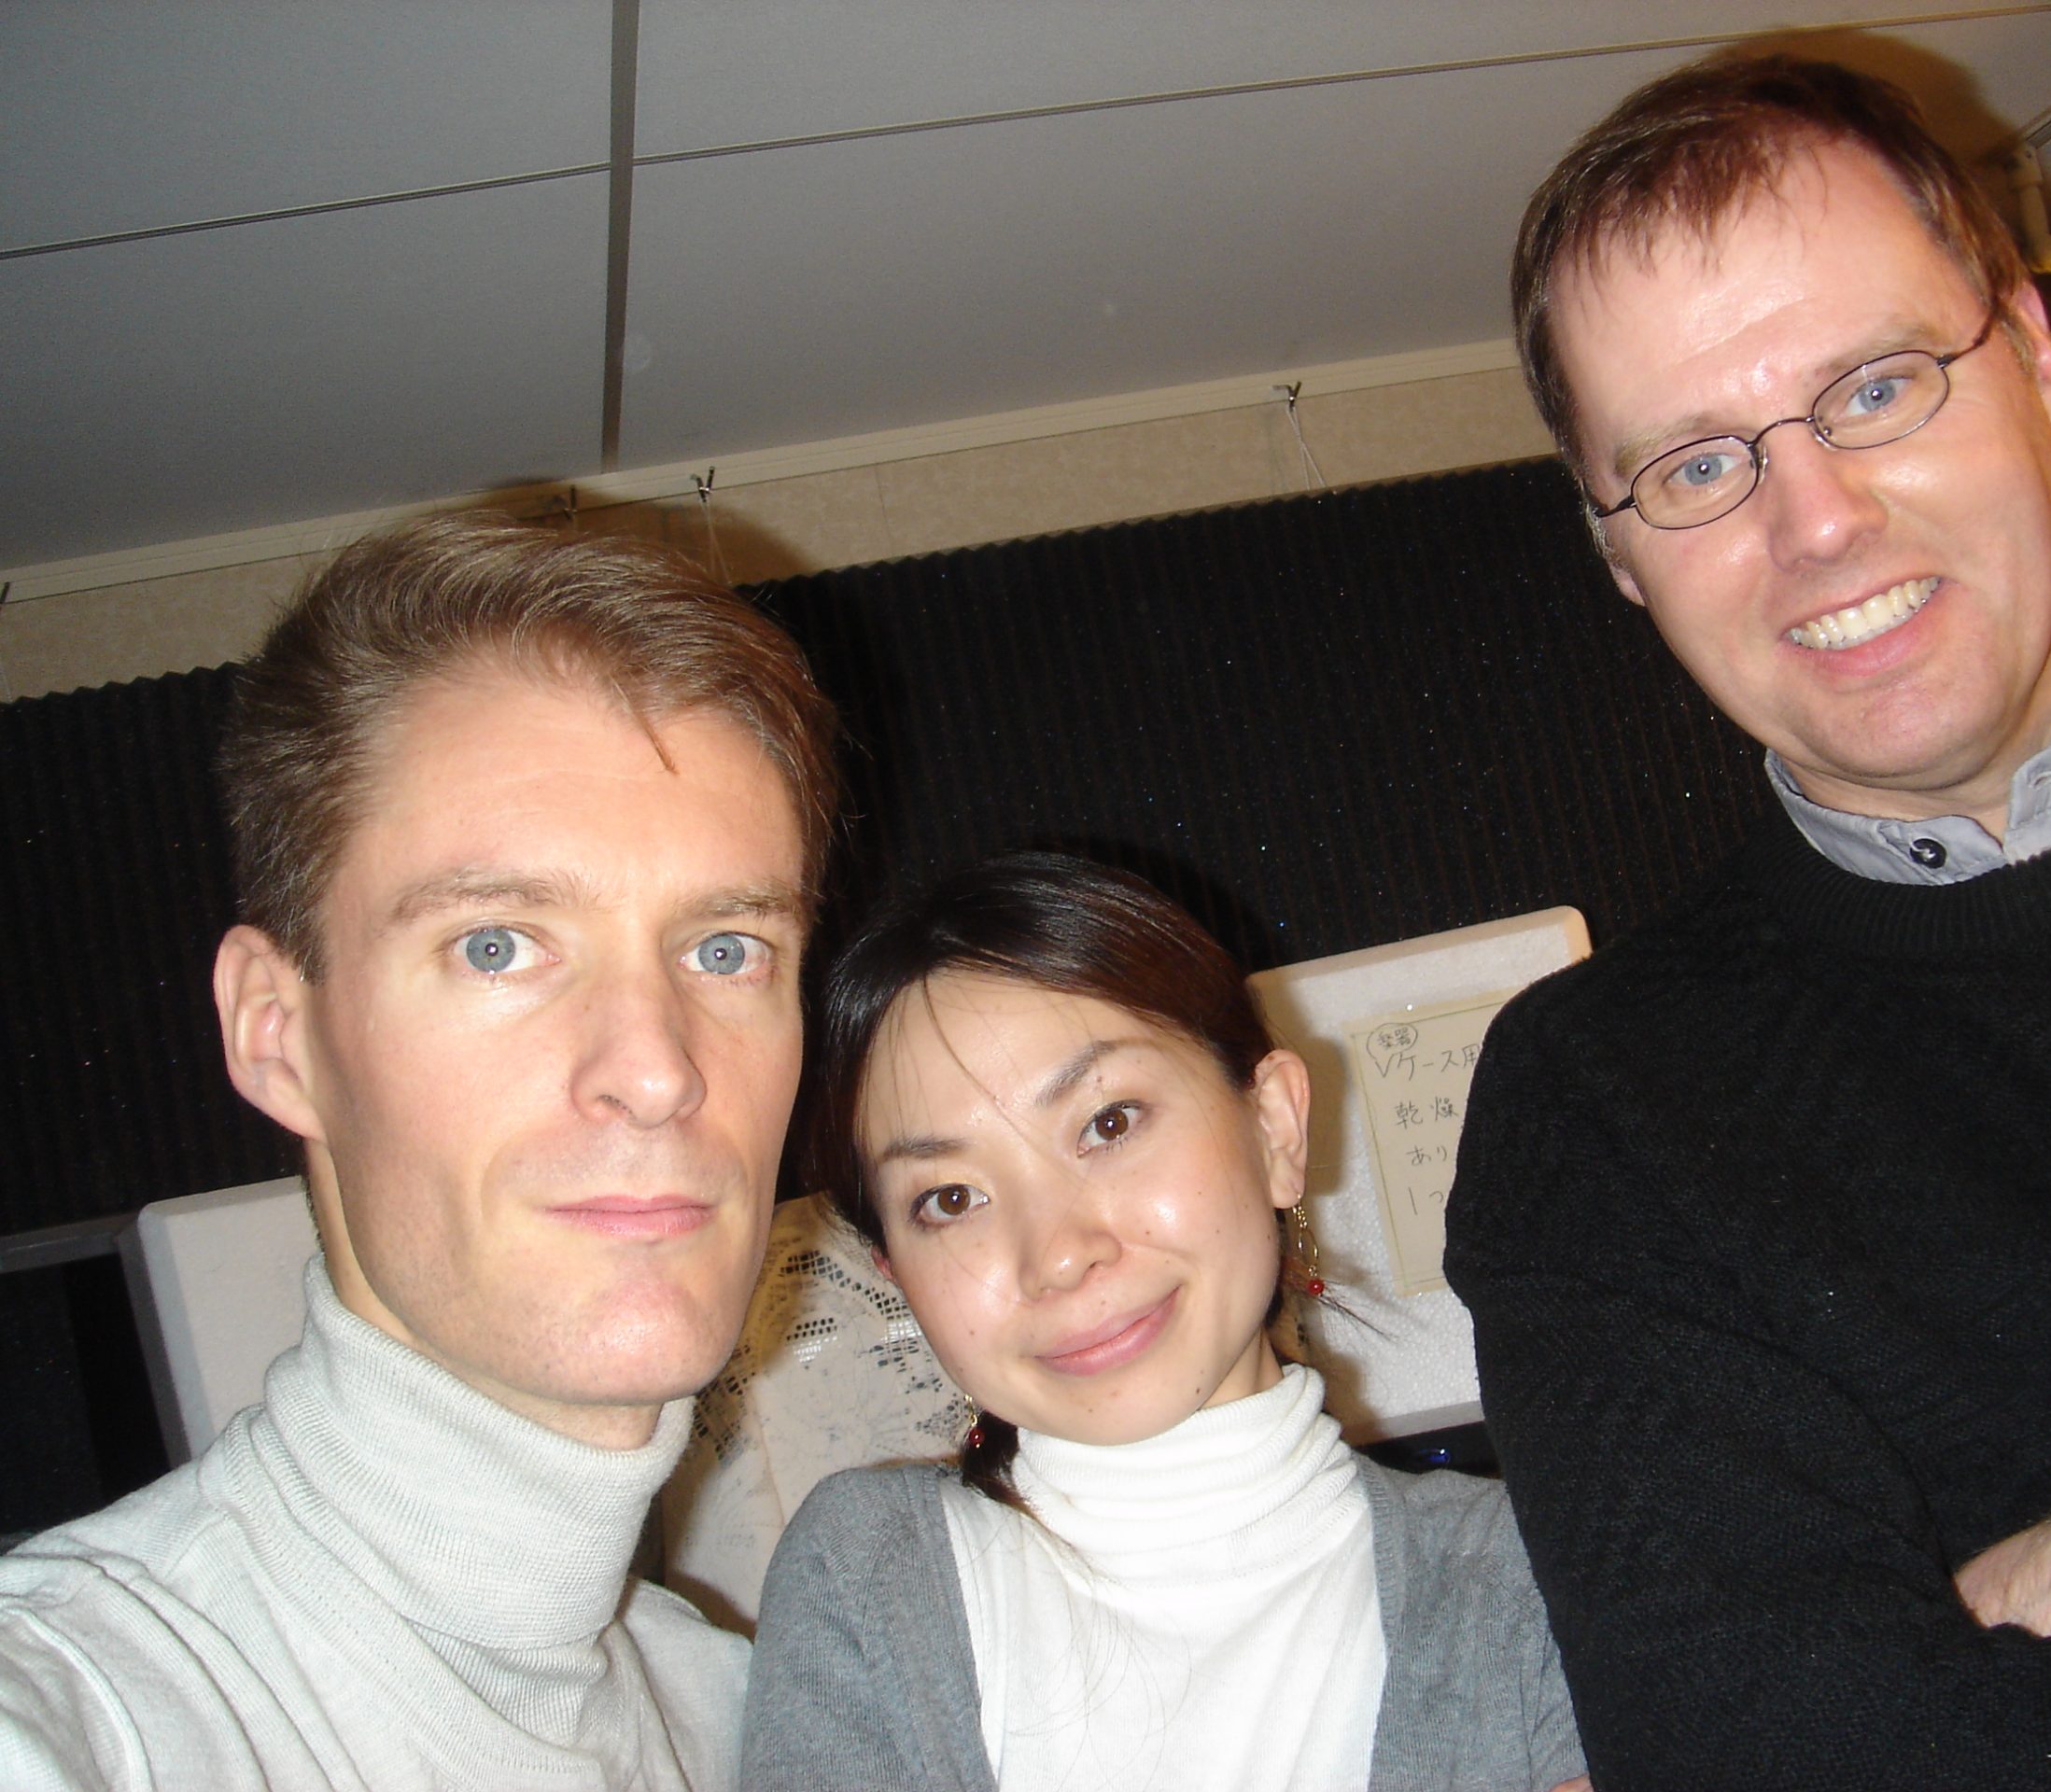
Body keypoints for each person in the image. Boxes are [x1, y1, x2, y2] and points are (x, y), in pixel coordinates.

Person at [1443, 50, 2051, 1791]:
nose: (1817, 522)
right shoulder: (1597, 1108)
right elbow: (1768, 1756)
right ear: (1620, 557)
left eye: (1877, 387)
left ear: (2034, 358)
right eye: (1695, 467)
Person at [0, 515, 839, 1792]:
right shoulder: (89, 1707)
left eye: (726, 950)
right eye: (496, 946)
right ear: (278, 1034)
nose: (659, 1069)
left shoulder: (747, 1718)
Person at [740, 851, 1587, 1792]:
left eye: (1108, 1124)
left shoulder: (1536, 1580)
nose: (1057, 1254)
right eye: (950, 1198)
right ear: (897, 1274)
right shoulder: (868, 1578)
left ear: (1274, 1127)